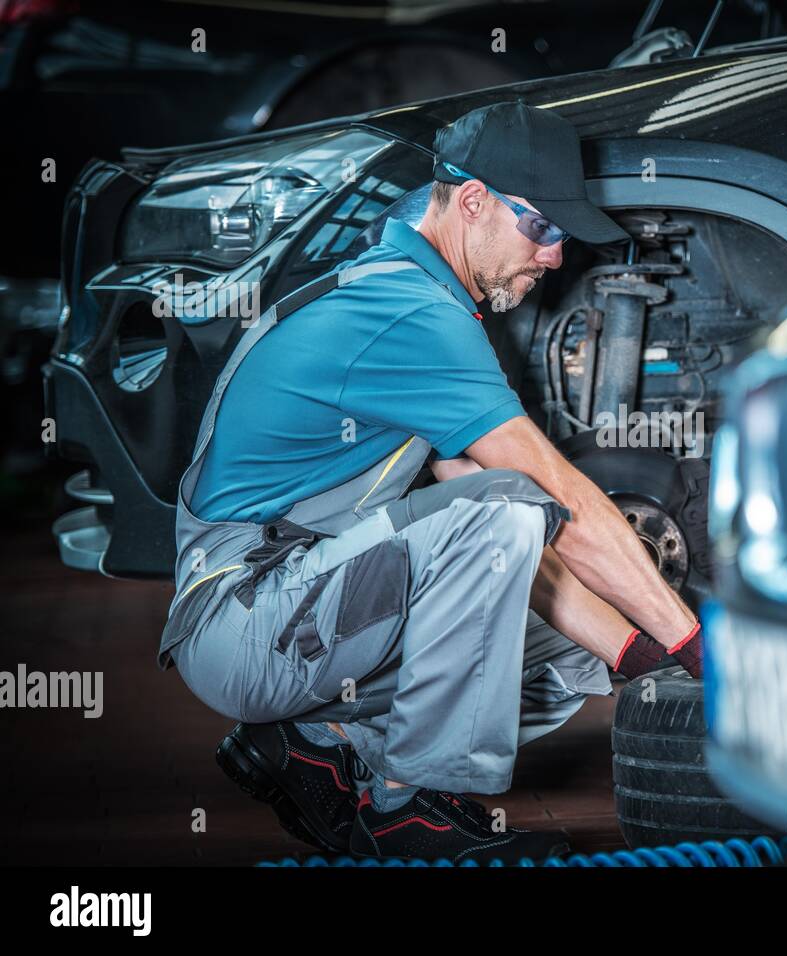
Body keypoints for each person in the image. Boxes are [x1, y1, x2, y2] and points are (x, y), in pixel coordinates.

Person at [156, 101, 704, 863]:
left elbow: (503, 537)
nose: (555, 256)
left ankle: (325, 741)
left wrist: (648, 661)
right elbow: (554, 506)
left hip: (290, 602)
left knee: (551, 592)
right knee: (516, 513)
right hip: (246, 618)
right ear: (473, 201)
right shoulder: (409, 314)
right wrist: (700, 650)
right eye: (543, 228)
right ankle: (407, 807)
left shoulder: (411, 290)